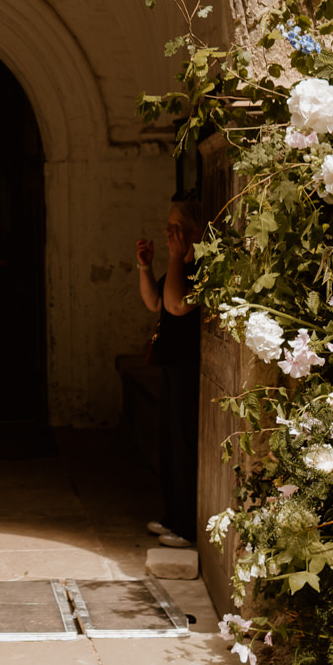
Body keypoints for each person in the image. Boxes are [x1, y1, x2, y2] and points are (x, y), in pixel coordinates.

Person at [135, 198, 205, 550]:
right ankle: (172, 514)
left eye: (175, 227)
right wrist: (145, 267)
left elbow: (178, 306)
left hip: (190, 370)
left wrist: (177, 259)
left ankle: (186, 524)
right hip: (172, 367)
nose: (167, 232)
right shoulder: (181, 267)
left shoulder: (202, 269)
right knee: (169, 445)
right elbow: (156, 303)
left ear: (194, 232)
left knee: (183, 446)